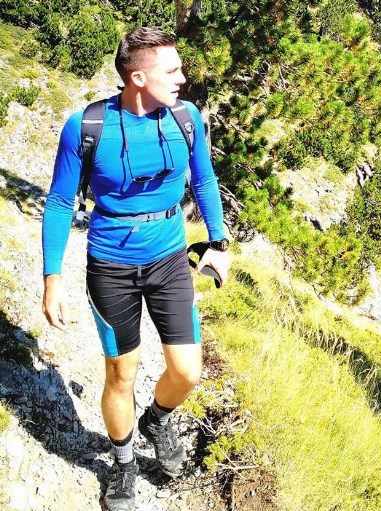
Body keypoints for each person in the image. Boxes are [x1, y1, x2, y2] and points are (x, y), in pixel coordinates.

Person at [41, 27, 230, 511]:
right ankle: (123, 464)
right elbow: (60, 202)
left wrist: (217, 242)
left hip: (170, 258)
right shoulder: (86, 126)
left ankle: (157, 419)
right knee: (121, 373)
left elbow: (205, 180)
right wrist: (52, 279)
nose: (183, 78)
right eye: (173, 70)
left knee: (186, 371)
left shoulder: (187, 118)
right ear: (139, 77)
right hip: (111, 267)